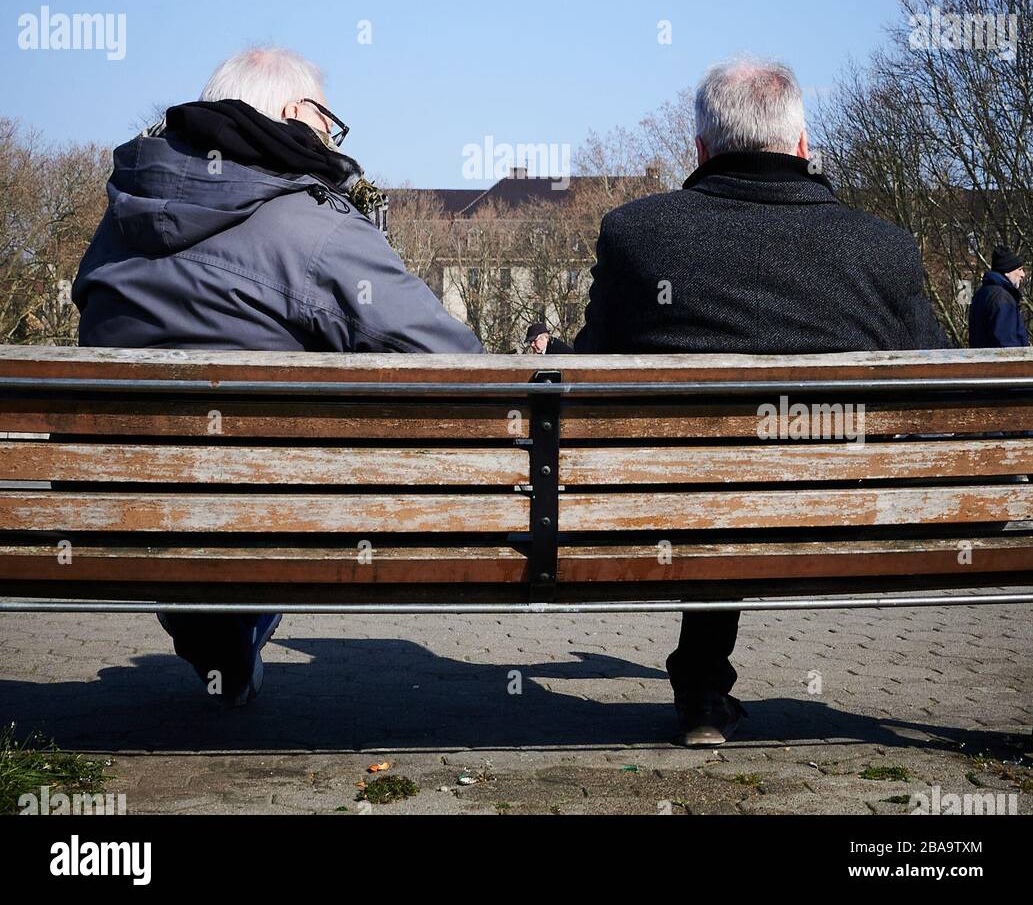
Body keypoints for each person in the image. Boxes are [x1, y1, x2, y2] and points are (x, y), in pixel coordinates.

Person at [72, 46, 482, 706]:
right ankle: (225, 620)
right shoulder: (313, 225)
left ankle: (211, 625)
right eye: (328, 120)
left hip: (114, 505)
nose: (330, 135)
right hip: (269, 505)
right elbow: (451, 362)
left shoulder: (118, 221)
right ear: (298, 112)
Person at [574, 55, 947, 746]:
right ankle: (703, 686)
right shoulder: (883, 247)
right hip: (852, 516)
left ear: (700, 148)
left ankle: (702, 692)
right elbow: (945, 388)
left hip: (676, 510)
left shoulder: (637, 233)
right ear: (803, 145)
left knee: (717, 499)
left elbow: (588, 373)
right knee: (732, 493)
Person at [968, 247, 1028, 347]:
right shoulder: (1002, 298)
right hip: (1002, 361)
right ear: (1007, 271)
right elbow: (1006, 344)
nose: (1023, 274)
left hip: (981, 359)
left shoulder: (981, 294)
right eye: (1020, 269)